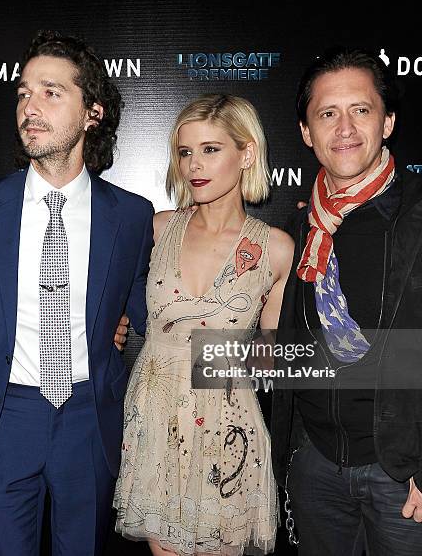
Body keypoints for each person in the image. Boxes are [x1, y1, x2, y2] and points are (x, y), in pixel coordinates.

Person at [0, 30, 154, 556]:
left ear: (91, 112)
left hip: (87, 417)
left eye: (52, 92)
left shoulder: (132, 215)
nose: (30, 105)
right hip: (6, 417)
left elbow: (148, 309)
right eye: (24, 92)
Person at [271, 47, 422, 555]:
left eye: (360, 110)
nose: (344, 128)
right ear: (306, 133)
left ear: (387, 122)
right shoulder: (300, 229)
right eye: (327, 114)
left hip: (407, 477)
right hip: (316, 468)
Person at [114, 94, 294, 555]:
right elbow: (116, 300)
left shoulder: (275, 249)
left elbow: (268, 360)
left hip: (226, 428)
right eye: (186, 151)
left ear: (246, 153)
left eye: (211, 149)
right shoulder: (157, 228)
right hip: (154, 419)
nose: (195, 164)